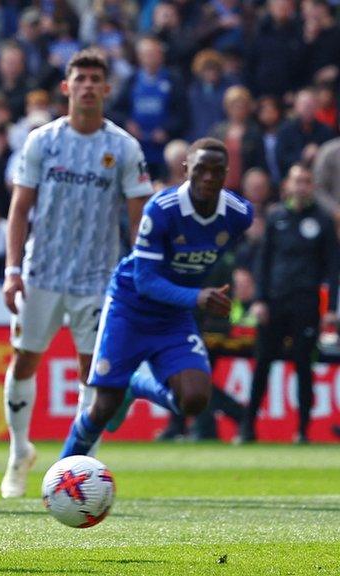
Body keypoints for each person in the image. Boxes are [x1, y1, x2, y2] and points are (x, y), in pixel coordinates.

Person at [0, 49, 153, 498]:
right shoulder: (41, 141)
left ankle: (83, 466)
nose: (87, 85)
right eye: (80, 78)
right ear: (66, 87)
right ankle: (18, 451)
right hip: (41, 272)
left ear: (106, 89)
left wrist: (139, 279)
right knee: (25, 358)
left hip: (99, 278)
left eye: (95, 79)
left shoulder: (124, 147)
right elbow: (20, 207)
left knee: (95, 373)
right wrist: (12, 270)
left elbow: (139, 219)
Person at [60, 138, 254, 459]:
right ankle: (66, 472)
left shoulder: (239, 214)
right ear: (186, 168)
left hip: (174, 315)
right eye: (201, 169)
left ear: (226, 174)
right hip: (130, 307)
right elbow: (145, 280)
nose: (208, 177)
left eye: (216, 171)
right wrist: (197, 295)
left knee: (194, 399)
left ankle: (138, 383)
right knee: (104, 406)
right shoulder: (162, 210)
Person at [237, 164, 338, 444]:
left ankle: (303, 431)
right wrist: (258, 300)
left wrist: (331, 309)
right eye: (297, 181)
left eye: (306, 181)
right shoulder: (276, 216)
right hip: (274, 302)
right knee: (263, 364)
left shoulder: (323, 221)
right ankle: (248, 428)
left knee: (304, 366)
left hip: (306, 304)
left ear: (312, 186)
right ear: (288, 186)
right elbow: (263, 261)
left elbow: (332, 268)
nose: (301, 186)